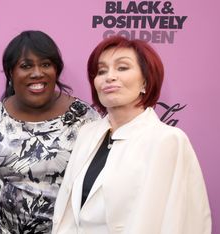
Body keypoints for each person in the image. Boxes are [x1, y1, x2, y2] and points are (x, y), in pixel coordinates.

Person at [52, 36, 211, 234]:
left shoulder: (167, 140)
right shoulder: (87, 134)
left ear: (145, 81)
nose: (109, 77)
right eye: (102, 71)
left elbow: (185, 221)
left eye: (122, 68)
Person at [0, 30, 100, 234]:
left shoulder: (83, 118)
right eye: (26, 66)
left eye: (46, 64)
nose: (37, 73)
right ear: (11, 73)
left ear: (56, 70)